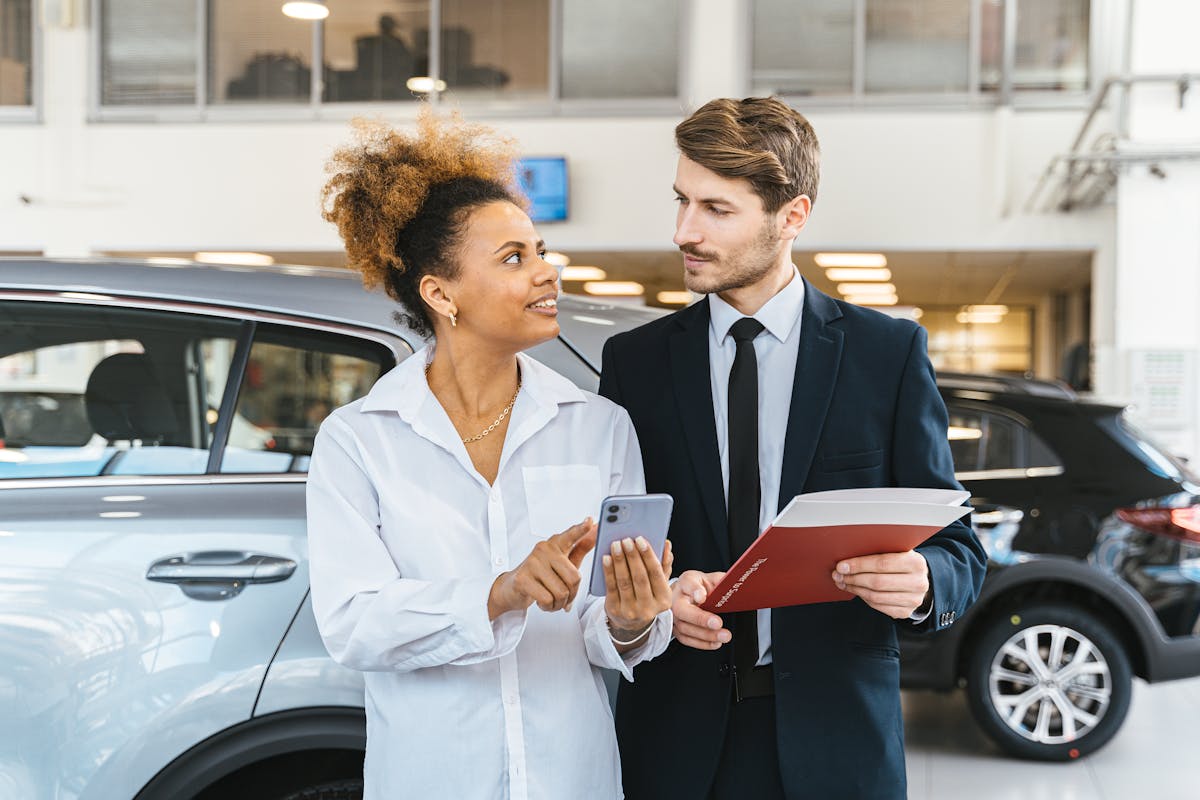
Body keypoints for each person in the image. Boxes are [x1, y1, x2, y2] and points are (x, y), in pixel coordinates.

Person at [599, 97, 988, 800]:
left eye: (717, 209)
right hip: (677, 742)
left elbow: (959, 547)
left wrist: (925, 578)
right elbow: (616, 547)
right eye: (683, 200)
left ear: (793, 217)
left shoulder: (886, 354)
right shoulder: (635, 363)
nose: (684, 230)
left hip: (838, 741)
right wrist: (657, 605)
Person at [307, 110, 674, 800]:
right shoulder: (360, 440)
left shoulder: (599, 427)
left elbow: (604, 633)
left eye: (539, 250)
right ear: (441, 294)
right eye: (514, 258)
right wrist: (499, 593)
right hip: (432, 778)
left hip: (572, 778)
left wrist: (629, 618)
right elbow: (355, 623)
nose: (546, 272)